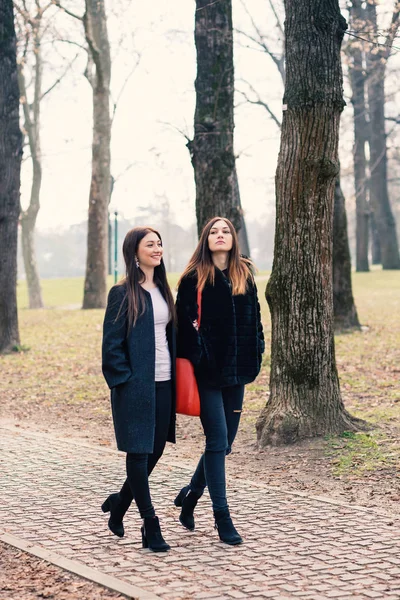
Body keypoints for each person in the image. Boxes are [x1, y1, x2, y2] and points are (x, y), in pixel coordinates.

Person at [175, 217, 264, 545]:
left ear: (233, 238)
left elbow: (255, 319)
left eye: (225, 230)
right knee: (216, 440)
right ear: (206, 239)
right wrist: (202, 357)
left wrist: (257, 351)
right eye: (214, 231)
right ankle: (222, 517)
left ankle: (191, 495)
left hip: (238, 372)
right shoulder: (193, 277)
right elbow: (183, 326)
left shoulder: (245, 273)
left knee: (224, 445)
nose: (220, 235)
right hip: (208, 375)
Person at [101, 226, 176, 552]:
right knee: (139, 451)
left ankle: (119, 504)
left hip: (165, 382)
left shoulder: (162, 289)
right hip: (135, 386)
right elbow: (111, 345)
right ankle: (150, 523)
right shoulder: (122, 293)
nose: (157, 249)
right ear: (135, 252)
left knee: (156, 449)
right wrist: (125, 380)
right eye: (150, 245)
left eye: (159, 244)